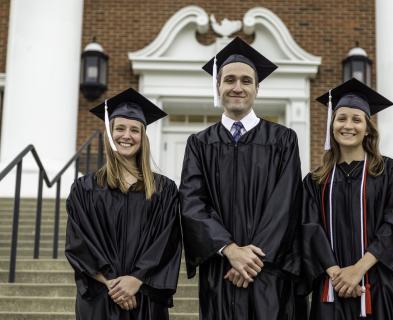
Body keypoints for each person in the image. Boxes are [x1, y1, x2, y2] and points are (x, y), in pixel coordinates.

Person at [179, 37, 303, 320]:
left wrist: (251, 260)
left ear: (257, 88)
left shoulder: (283, 140)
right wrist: (230, 250)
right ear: (218, 86)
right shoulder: (199, 143)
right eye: (229, 80)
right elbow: (192, 203)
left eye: (246, 81)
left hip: (268, 272)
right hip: (220, 270)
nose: (237, 87)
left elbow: (286, 204)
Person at [300, 78, 393, 319]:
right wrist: (338, 275)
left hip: (380, 285)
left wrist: (358, 270)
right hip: (331, 287)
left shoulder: (391, 172)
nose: (348, 125)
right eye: (341, 118)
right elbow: (309, 229)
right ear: (331, 125)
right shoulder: (315, 181)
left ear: (367, 128)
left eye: (357, 120)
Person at [65, 88, 182, 320]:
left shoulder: (165, 190)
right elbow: (79, 243)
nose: (126, 135)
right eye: (119, 128)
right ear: (109, 133)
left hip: (145, 296)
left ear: (143, 137)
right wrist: (114, 284)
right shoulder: (85, 188)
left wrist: (136, 279)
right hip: (101, 295)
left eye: (134, 130)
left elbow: (167, 242)